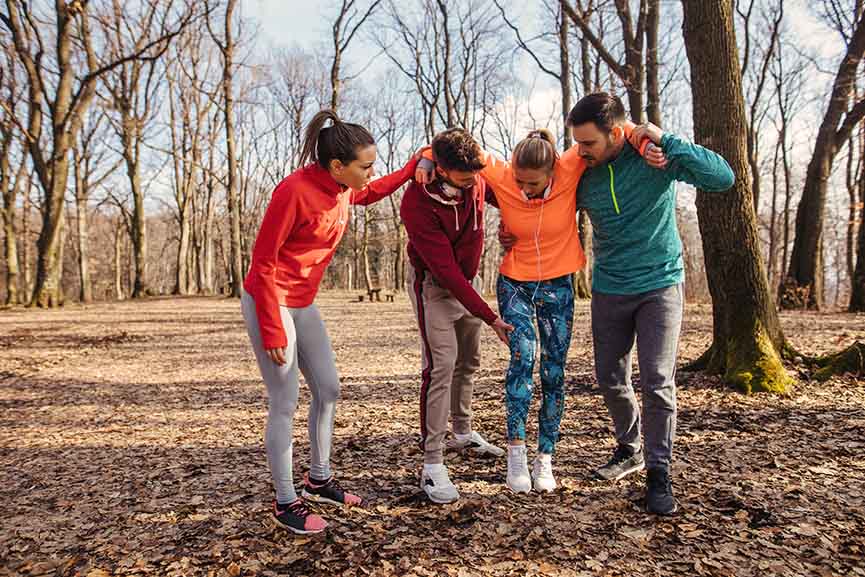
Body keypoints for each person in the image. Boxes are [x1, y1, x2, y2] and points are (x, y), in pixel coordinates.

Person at [418, 127, 665, 494]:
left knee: (553, 370)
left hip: (558, 284)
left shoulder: (569, 166)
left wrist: (648, 140)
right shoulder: (500, 174)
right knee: (522, 360)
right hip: (515, 282)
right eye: (519, 181)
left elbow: (617, 129)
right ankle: (516, 453)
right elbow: (455, 148)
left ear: (552, 172)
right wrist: (425, 155)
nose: (524, 190)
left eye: (532, 184)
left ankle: (545, 457)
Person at [242, 109, 423, 534]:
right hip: (270, 301)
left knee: (328, 387)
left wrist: (413, 169)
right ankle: (285, 500)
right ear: (338, 166)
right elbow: (263, 261)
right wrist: (271, 326)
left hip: (303, 303)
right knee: (284, 399)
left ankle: (318, 480)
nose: (370, 171)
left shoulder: (343, 188)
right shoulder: (294, 192)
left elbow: (371, 191)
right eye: (366, 165)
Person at [565, 92, 733, 514]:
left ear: (616, 132)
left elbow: (722, 177)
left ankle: (659, 473)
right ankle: (630, 448)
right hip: (609, 287)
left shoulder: (653, 156)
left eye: (588, 143)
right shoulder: (580, 171)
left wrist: (666, 138)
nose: (580, 151)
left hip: (659, 283)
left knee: (657, 381)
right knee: (609, 376)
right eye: (577, 143)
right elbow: (525, 192)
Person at [400, 127, 513, 504]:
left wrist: (514, 229)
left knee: (469, 362)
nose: (474, 183)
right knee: (440, 367)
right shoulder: (416, 202)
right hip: (434, 284)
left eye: (476, 176)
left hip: (469, 281)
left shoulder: (475, 181)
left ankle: (462, 432)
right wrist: (490, 316)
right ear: (444, 171)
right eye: (465, 178)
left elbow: (513, 197)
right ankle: (432, 464)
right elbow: (445, 270)